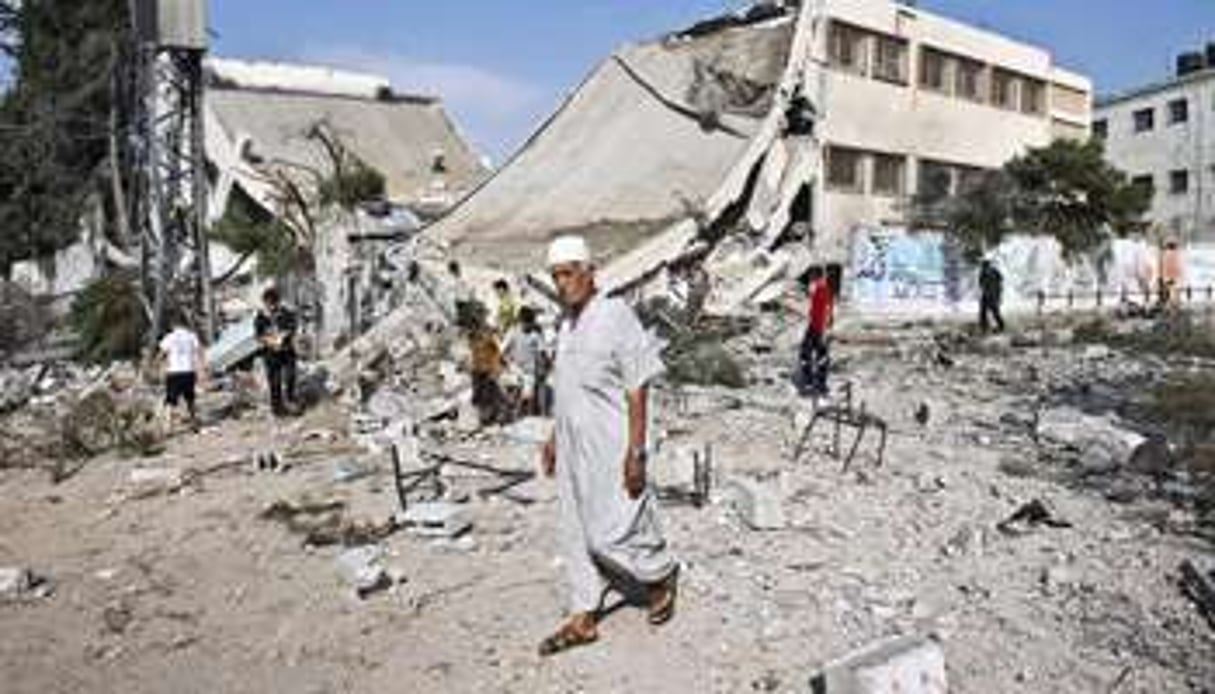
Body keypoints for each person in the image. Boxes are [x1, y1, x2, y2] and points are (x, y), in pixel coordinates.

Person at [538, 235, 678, 657]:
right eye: (556, 276)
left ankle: (659, 576)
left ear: (588, 272)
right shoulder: (566, 325)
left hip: (611, 443)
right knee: (575, 530)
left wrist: (636, 453)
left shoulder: (616, 315)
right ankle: (584, 614)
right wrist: (552, 437)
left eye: (568, 274)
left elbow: (638, 386)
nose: (562, 284)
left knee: (610, 530)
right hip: (572, 444)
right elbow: (564, 388)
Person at [254, 287, 299, 417]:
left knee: (290, 376)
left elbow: (292, 327)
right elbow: (258, 335)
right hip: (270, 353)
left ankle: (291, 400)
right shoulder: (260, 316)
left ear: (277, 302)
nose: (270, 306)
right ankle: (277, 408)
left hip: (286, 350)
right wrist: (267, 340)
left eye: (273, 303)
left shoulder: (286, 313)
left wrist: (283, 335)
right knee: (274, 381)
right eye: (268, 303)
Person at [158, 311, 205, 428]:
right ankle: (194, 422)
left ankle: (168, 426)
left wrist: (157, 365)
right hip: (189, 371)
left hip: (174, 372)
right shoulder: (191, 336)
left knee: (170, 400)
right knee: (190, 399)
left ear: (173, 324)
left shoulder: (169, 337)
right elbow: (200, 352)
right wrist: (202, 367)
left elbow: (161, 353)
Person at [798, 266, 834, 397]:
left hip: (819, 328)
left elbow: (827, 311)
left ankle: (816, 385)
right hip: (814, 325)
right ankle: (815, 384)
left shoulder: (822, 289)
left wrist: (825, 330)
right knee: (807, 353)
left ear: (815, 276)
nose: (810, 278)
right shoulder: (818, 288)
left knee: (816, 355)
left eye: (812, 275)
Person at [505, 305, 545, 416]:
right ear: (520, 321)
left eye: (529, 323)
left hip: (529, 370)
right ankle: (512, 415)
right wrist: (506, 362)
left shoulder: (535, 335)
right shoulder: (513, 332)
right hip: (515, 368)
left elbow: (541, 353)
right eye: (524, 322)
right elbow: (503, 349)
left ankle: (527, 418)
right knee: (513, 392)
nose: (526, 325)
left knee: (528, 397)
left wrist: (541, 368)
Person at [978, 256, 1005, 333]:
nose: (983, 267)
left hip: (990, 295)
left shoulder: (985, 272)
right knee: (991, 312)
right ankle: (987, 327)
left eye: (983, 265)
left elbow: (981, 284)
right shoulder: (993, 271)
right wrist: (999, 293)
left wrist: (997, 292)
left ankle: (986, 327)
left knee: (989, 312)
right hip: (991, 294)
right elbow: (1001, 280)